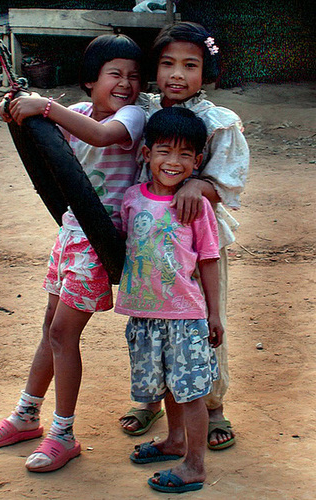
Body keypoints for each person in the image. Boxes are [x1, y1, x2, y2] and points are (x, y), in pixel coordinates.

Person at [0, 34, 146, 473]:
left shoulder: (132, 117)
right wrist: (19, 113)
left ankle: (63, 433)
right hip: (71, 234)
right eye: (115, 74)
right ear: (90, 81)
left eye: (133, 75)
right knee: (49, 329)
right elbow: (45, 143)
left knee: (62, 334)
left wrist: (45, 109)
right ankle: (27, 415)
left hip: (99, 238)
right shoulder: (80, 112)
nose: (126, 83)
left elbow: (102, 135)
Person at [119, 21, 250, 450]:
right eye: (168, 63)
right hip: (149, 239)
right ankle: (152, 400)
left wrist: (199, 185)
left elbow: (228, 182)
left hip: (199, 244)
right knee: (153, 323)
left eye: (190, 65)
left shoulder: (218, 122)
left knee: (204, 324)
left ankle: (212, 407)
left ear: (205, 72)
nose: (177, 74)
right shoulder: (142, 109)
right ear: (154, 69)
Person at [115, 107, 224, 493]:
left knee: (191, 391)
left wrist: (214, 314)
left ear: (196, 162)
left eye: (184, 155)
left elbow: (209, 260)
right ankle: (174, 440)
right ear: (146, 154)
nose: (172, 162)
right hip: (145, 316)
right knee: (165, 386)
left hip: (185, 316)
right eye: (164, 151)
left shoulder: (197, 206)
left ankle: (194, 464)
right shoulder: (131, 199)